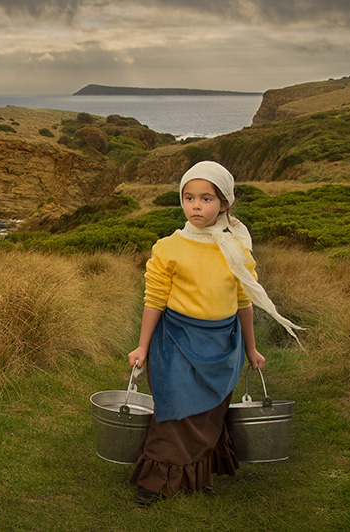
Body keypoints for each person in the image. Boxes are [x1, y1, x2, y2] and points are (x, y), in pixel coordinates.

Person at [127, 160, 303, 506]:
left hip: (224, 344)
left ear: (224, 204)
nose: (196, 206)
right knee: (174, 410)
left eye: (206, 199)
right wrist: (142, 347)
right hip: (175, 342)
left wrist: (251, 350)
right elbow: (154, 301)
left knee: (210, 414)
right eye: (189, 197)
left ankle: (200, 474)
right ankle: (155, 479)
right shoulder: (168, 248)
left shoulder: (235, 250)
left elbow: (243, 302)